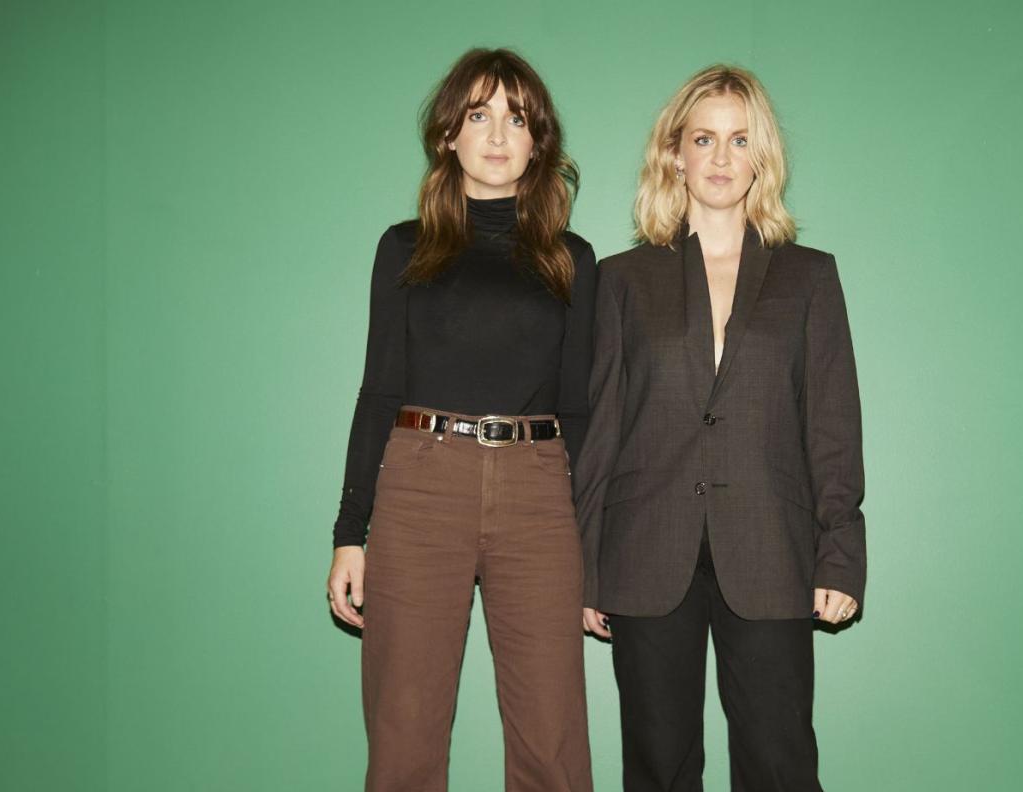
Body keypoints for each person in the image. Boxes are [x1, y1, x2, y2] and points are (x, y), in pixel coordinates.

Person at [574, 64, 867, 791]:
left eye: (740, 140)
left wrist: (840, 554)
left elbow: (831, 424)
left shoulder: (810, 277)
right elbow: (602, 428)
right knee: (658, 764)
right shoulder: (619, 280)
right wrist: (584, 566)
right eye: (703, 138)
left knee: (779, 764)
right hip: (645, 551)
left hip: (771, 547)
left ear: (761, 156)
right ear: (675, 153)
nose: (721, 158)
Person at [325, 47, 597, 792]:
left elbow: (580, 407)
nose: (498, 134)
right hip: (420, 485)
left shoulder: (572, 259)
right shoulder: (405, 248)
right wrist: (352, 532)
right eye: (479, 115)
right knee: (404, 731)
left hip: (540, 494)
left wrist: (597, 545)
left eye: (516, 118)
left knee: (553, 738)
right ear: (449, 134)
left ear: (538, 140)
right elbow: (378, 391)